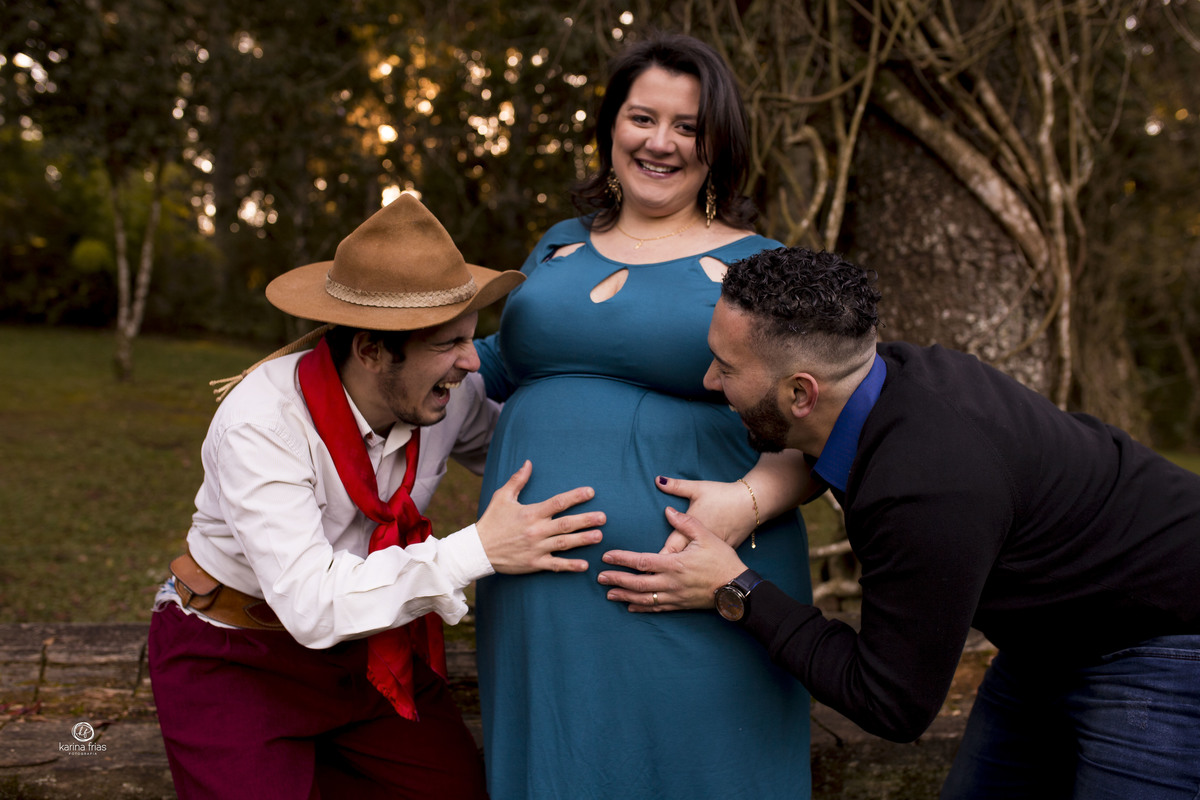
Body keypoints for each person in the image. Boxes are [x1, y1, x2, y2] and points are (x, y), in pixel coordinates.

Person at [598, 245, 1200, 799]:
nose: (709, 379)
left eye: (726, 368)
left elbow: (892, 703)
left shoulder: (926, 483)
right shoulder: (885, 381)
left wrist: (735, 588)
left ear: (802, 394)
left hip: (1159, 642)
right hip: (1048, 641)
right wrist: (747, 498)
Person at [147, 194, 607, 799]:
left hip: (369, 650)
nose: (472, 362)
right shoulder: (262, 424)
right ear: (369, 349)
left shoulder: (450, 396)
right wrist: (478, 550)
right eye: (448, 344)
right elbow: (312, 605)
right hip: (237, 652)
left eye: (471, 338)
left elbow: (523, 456)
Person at [473, 33, 813, 799]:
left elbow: (829, 421)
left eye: (687, 126)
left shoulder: (762, 265)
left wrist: (743, 504)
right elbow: (483, 367)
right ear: (610, 128)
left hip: (696, 577)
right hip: (541, 583)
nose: (660, 143)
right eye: (641, 118)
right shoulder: (557, 247)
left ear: (716, 143)